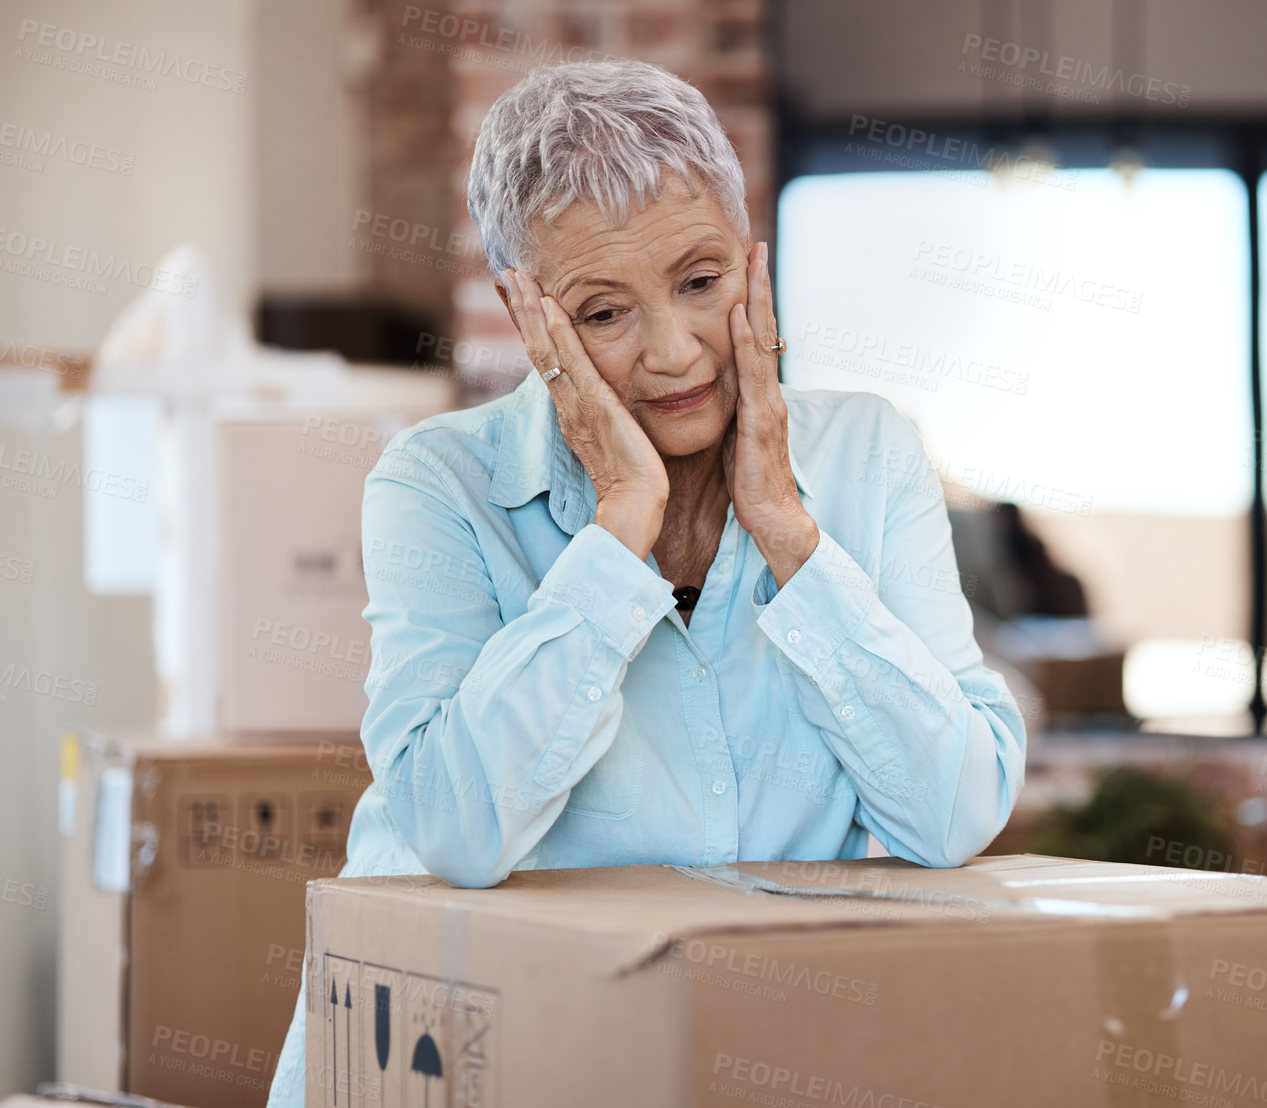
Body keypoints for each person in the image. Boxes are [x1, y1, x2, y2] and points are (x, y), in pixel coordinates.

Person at [265, 58, 1025, 1106]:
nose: (674, 354)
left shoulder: (865, 459)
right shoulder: (440, 482)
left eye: (701, 283)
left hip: (715, 1056)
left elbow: (954, 812)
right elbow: (457, 828)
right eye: (604, 313)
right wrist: (621, 527)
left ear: (751, 259)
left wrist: (788, 534)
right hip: (454, 1053)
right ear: (526, 315)